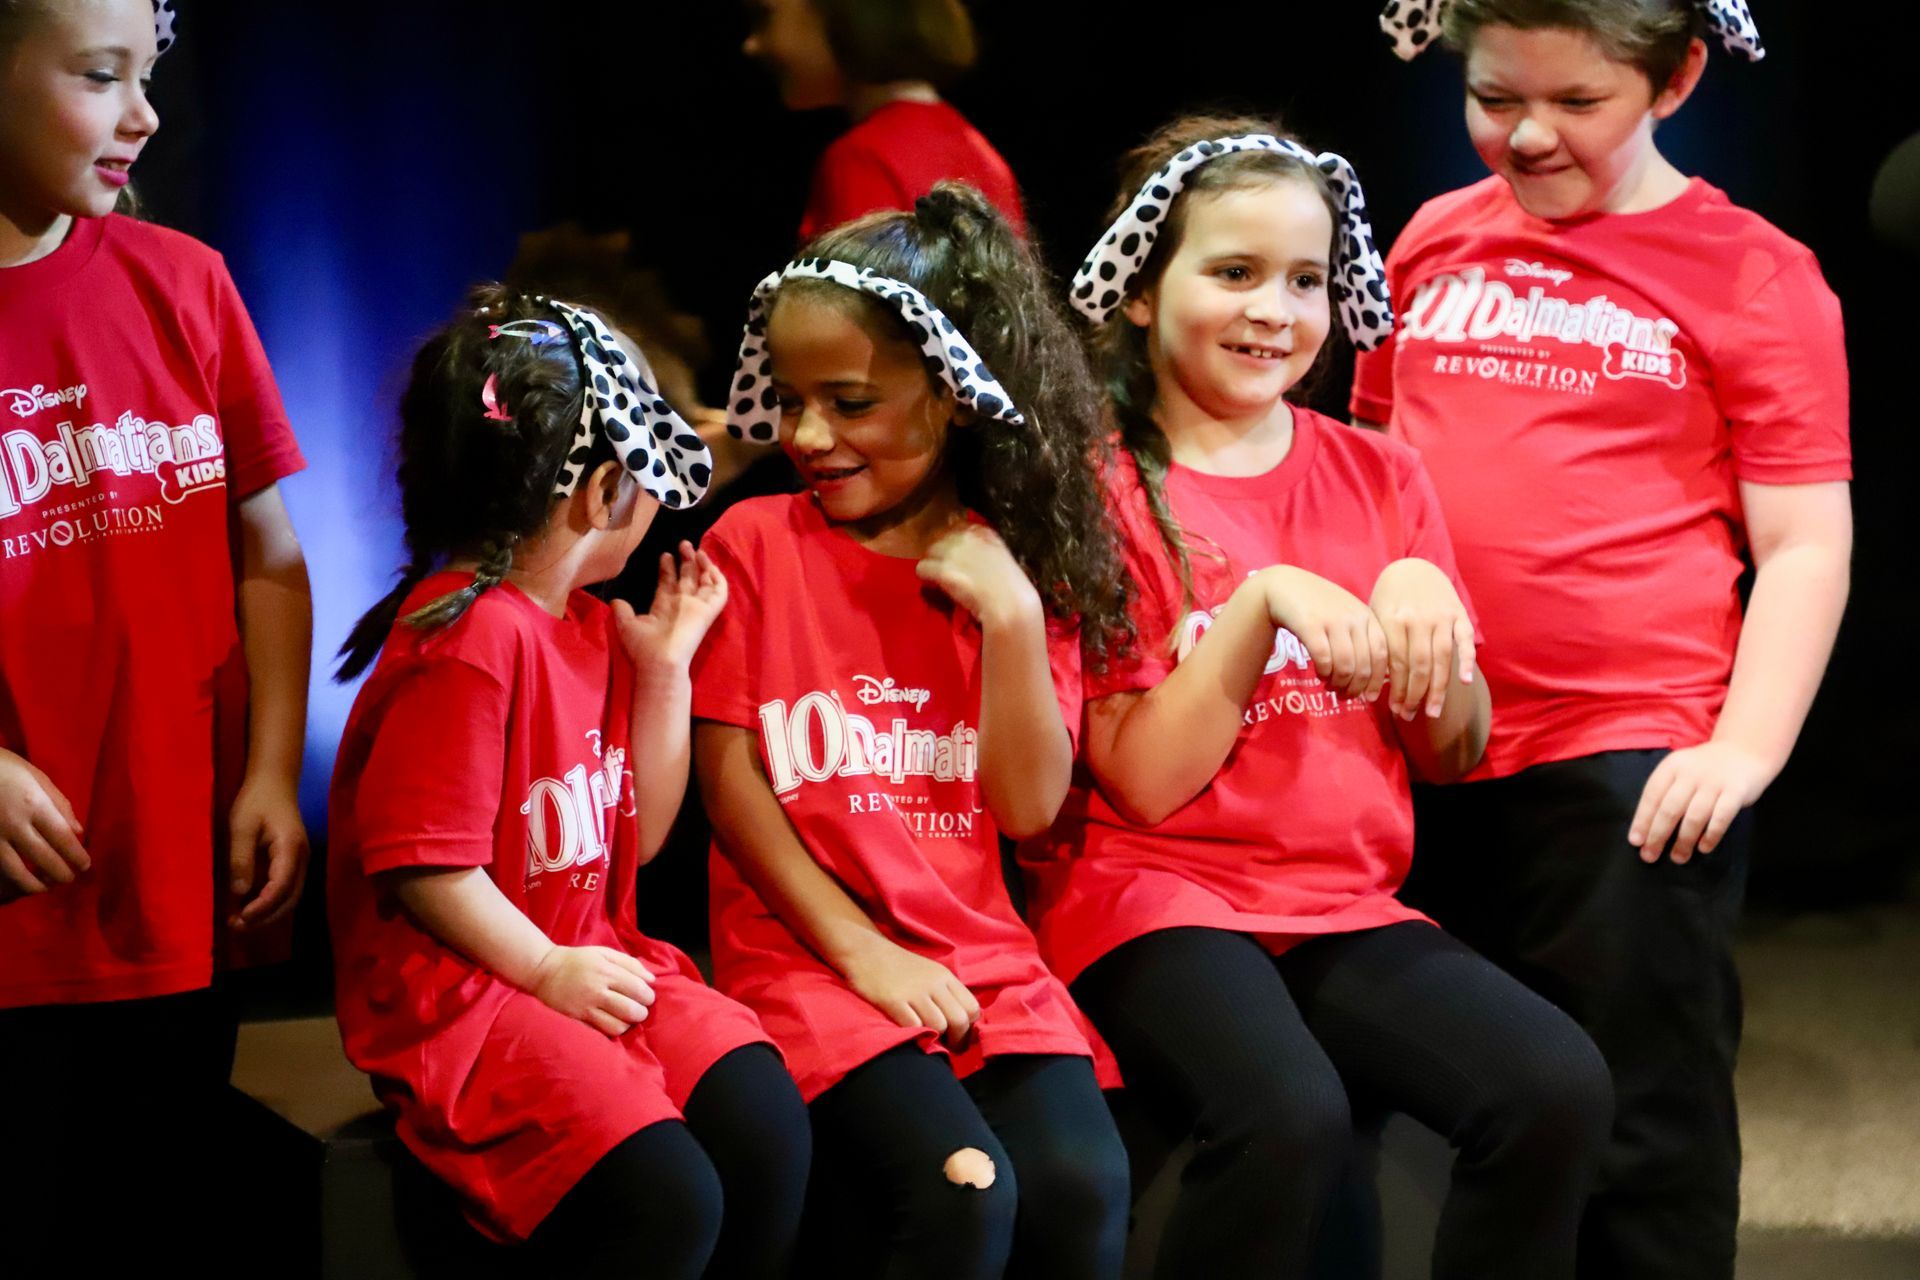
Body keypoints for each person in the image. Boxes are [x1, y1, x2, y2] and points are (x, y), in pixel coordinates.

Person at [1025, 116, 1614, 1280]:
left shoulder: (1379, 472)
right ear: (1142, 293)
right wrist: (1264, 604)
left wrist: (1425, 614)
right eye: (1233, 272)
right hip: (1157, 895)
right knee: (1285, 1114)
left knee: (1555, 1086)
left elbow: (1450, 750)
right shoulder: (1090, 489)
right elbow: (1141, 780)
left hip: (1339, 900)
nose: (1274, 310)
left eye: (1304, 279)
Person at [1358, 4, 1853, 1276]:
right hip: (1416, 741)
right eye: (1493, 97)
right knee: (1447, 1115)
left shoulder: (1754, 271)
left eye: (1577, 103)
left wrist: (1743, 748)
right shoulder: (1429, 240)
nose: (1526, 135)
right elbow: (1361, 478)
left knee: (1642, 1119)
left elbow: (1803, 539)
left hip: (1625, 754)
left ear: (1677, 76)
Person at [691, 184, 1131, 1279]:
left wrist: (1016, 617)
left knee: (1082, 1186)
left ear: (952, 395)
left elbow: (1029, 805)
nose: (807, 434)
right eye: (791, 400)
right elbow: (729, 774)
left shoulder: (1013, 562)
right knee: (962, 1188)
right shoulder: (758, 542)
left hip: (983, 963)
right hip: (810, 961)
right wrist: (863, 951)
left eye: (849, 401)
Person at [328, 286, 809, 1278]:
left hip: (586, 951)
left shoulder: (589, 627)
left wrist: (666, 672)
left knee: (763, 1121)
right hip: (473, 991)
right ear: (600, 492)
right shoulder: (469, 636)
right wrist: (546, 967)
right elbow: (429, 870)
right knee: (665, 1197)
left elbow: (635, 838)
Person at [0, 0, 311, 1267]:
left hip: (180, 896)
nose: (144, 113)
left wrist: (272, 770)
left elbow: (272, 557)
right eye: (98, 74)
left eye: (148, 73)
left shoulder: (186, 281)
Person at [744, 0, 1026, 241]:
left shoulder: (862, 159)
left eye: (767, 16)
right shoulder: (982, 155)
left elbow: (846, 306)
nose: (752, 45)